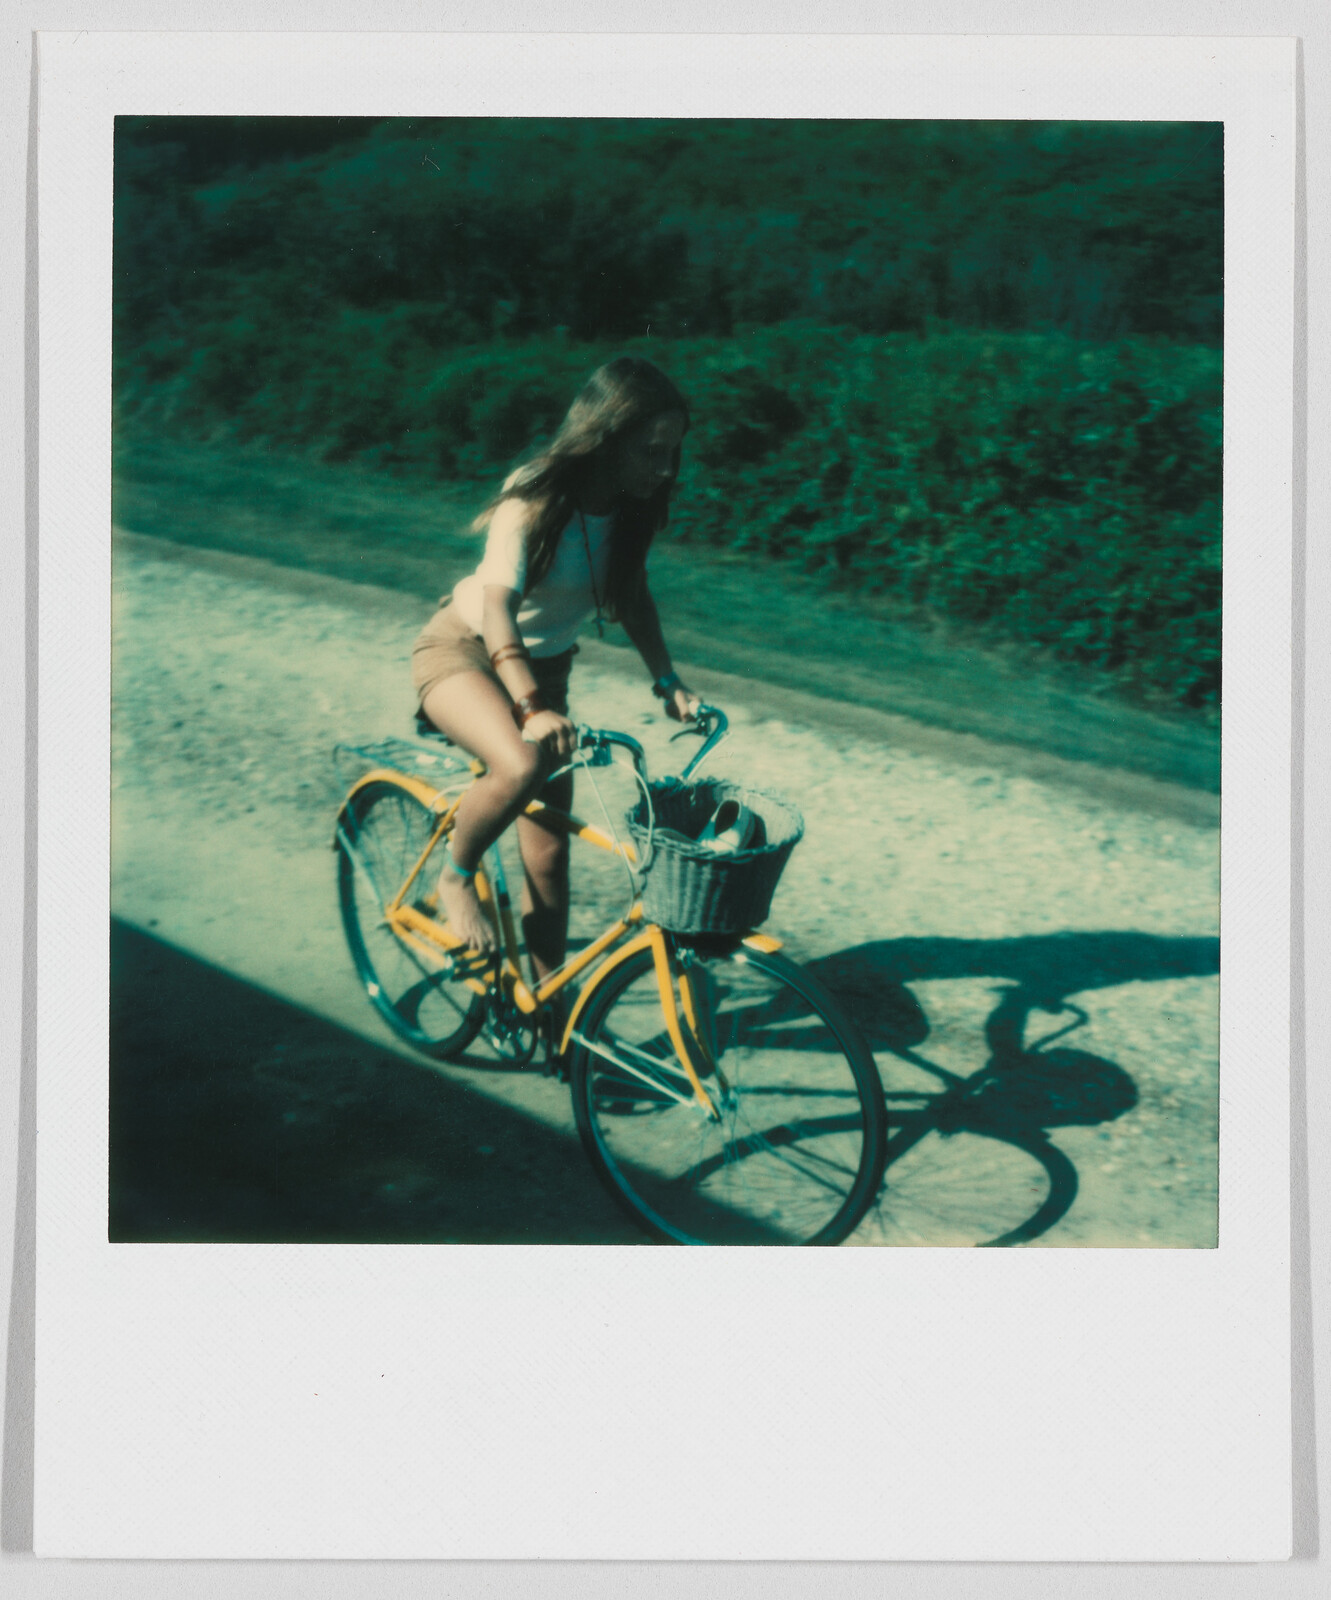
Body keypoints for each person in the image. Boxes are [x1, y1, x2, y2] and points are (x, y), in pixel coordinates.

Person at [411, 355, 699, 977]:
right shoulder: (537, 492)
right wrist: (533, 708)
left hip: (544, 675)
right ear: (607, 437)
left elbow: (632, 597)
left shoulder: (629, 508)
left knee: (548, 861)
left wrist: (668, 682)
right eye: (652, 451)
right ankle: (455, 877)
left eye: (673, 452)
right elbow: (497, 608)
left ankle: (551, 1019)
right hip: (466, 650)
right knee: (519, 764)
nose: (667, 468)